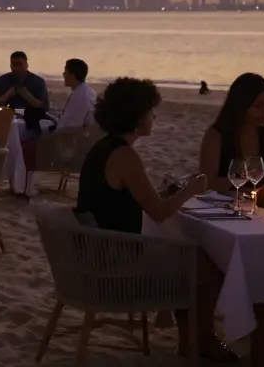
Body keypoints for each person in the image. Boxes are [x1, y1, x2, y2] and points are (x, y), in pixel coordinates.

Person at [76, 78, 234, 361]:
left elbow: (125, 199)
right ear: (137, 117)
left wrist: (165, 192)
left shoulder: (103, 148)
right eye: (151, 111)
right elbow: (159, 213)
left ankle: (190, 340)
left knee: (187, 255)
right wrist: (190, 190)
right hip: (117, 261)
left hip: (98, 252)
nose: (154, 117)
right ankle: (203, 340)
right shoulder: (125, 156)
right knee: (208, 268)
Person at [198, 72, 264, 192]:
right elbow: (206, 182)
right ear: (240, 105)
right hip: (224, 205)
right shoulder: (217, 135)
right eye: (257, 106)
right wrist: (243, 184)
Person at [55, 58, 95, 132]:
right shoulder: (84, 90)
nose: (64, 76)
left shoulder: (81, 97)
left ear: (72, 75)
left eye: (65, 73)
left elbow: (72, 126)